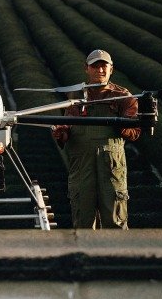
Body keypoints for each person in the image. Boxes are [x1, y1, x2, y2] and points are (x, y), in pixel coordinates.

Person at [52, 49, 141, 229]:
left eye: (103, 66)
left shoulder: (123, 96)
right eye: (95, 66)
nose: (100, 70)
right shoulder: (76, 97)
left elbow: (136, 131)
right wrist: (61, 133)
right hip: (82, 167)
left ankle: (115, 256)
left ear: (111, 69)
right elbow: (67, 127)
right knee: (83, 222)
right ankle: (88, 257)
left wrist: (122, 125)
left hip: (111, 168)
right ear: (87, 68)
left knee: (115, 220)